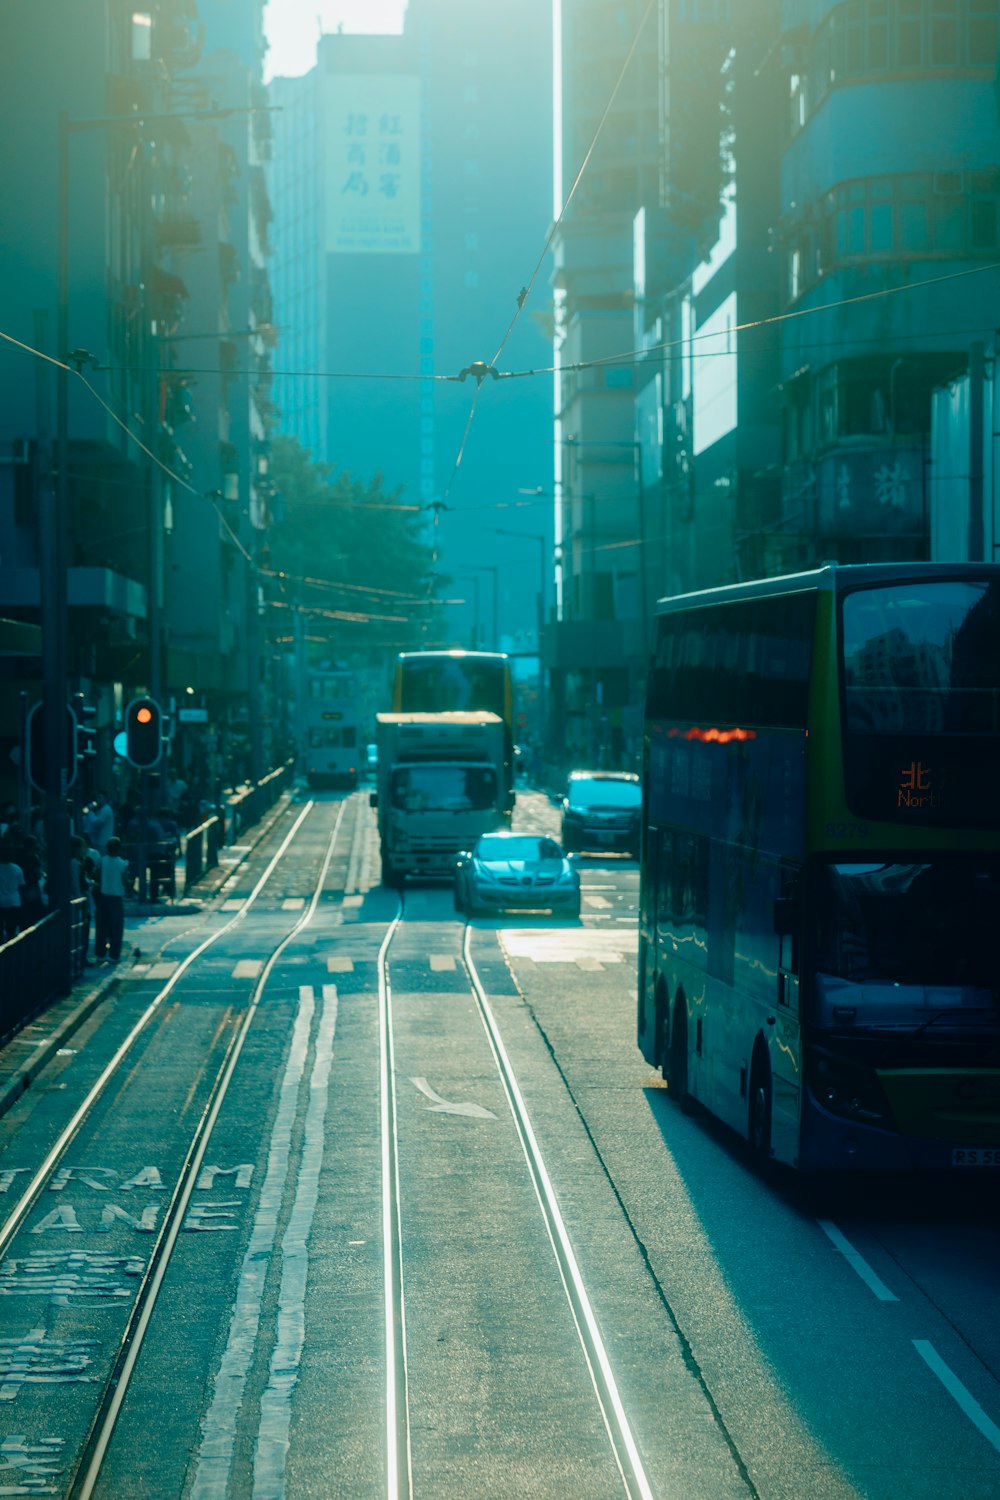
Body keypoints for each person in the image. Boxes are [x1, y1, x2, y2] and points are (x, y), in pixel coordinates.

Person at [94, 835, 132, 964]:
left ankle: (100, 953)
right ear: (119, 849)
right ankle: (114, 954)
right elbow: (125, 881)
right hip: (116, 898)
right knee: (116, 928)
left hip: (103, 896)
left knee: (102, 926)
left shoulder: (102, 861)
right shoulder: (122, 863)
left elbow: (98, 876)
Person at [0, 839, 24, 942]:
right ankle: (12, 955)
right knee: (12, 932)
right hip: (14, 902)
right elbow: (21, 885)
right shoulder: (17, 868)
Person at [84, 790, 115, 855]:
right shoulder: (100, 810)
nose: (98, 799)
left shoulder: (106, 809)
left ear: (105, 799)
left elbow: (97, 825)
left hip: (102, 844)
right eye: (97, 798)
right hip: (99, 843)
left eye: (100, 798)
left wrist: (90, 812)